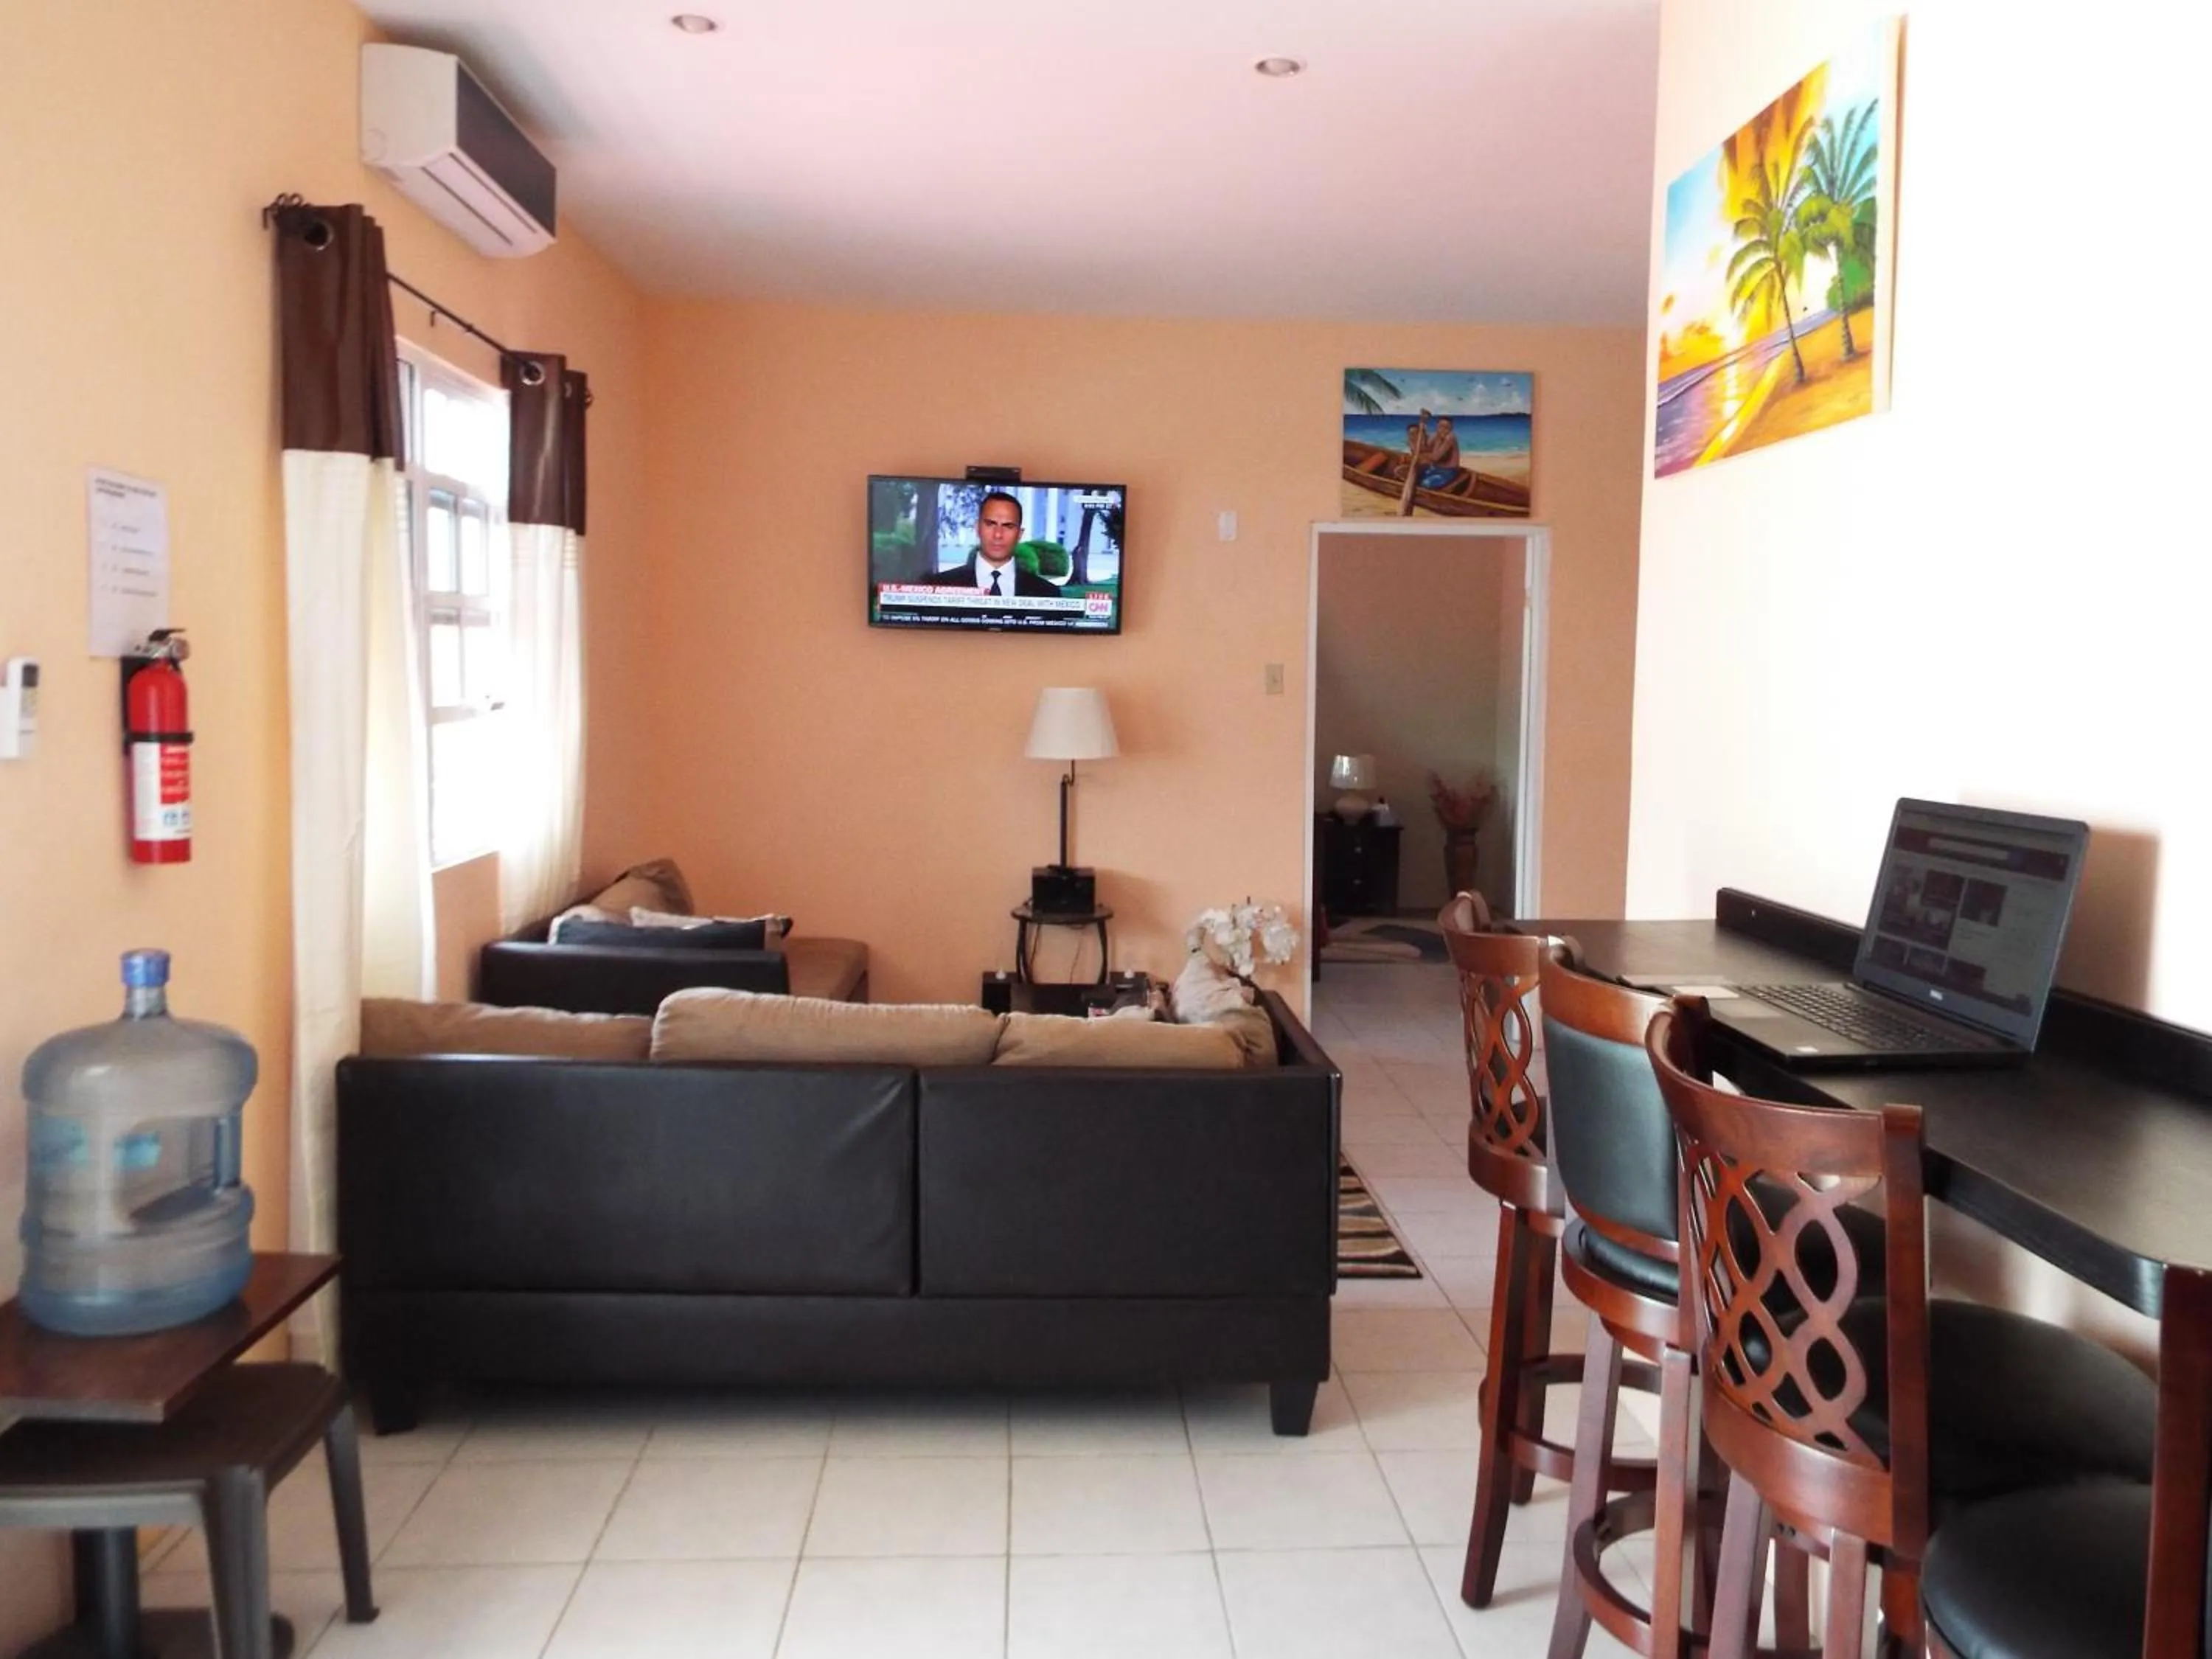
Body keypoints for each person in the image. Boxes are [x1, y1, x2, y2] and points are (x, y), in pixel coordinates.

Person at [937, 490, 1058, 597]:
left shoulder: (1047, 593)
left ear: (1020, 534)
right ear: (978, 528)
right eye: (990, 524)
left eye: (1008, 526)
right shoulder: (940, 586)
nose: (998, 535)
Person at [1416, 412, 1461, 490]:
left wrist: (1423, 455)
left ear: (1451, 429)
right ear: (1437, 427)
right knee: (1416, 476)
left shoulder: (1450, 438)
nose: (1443, 430)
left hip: (1448, 472)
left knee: (1425, 484)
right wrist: (1423, 431)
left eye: (1446, 428)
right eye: (1441, 427)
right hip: (1434, 469)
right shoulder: (1436, 435)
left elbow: (1436, 458)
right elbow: (1424, 448)